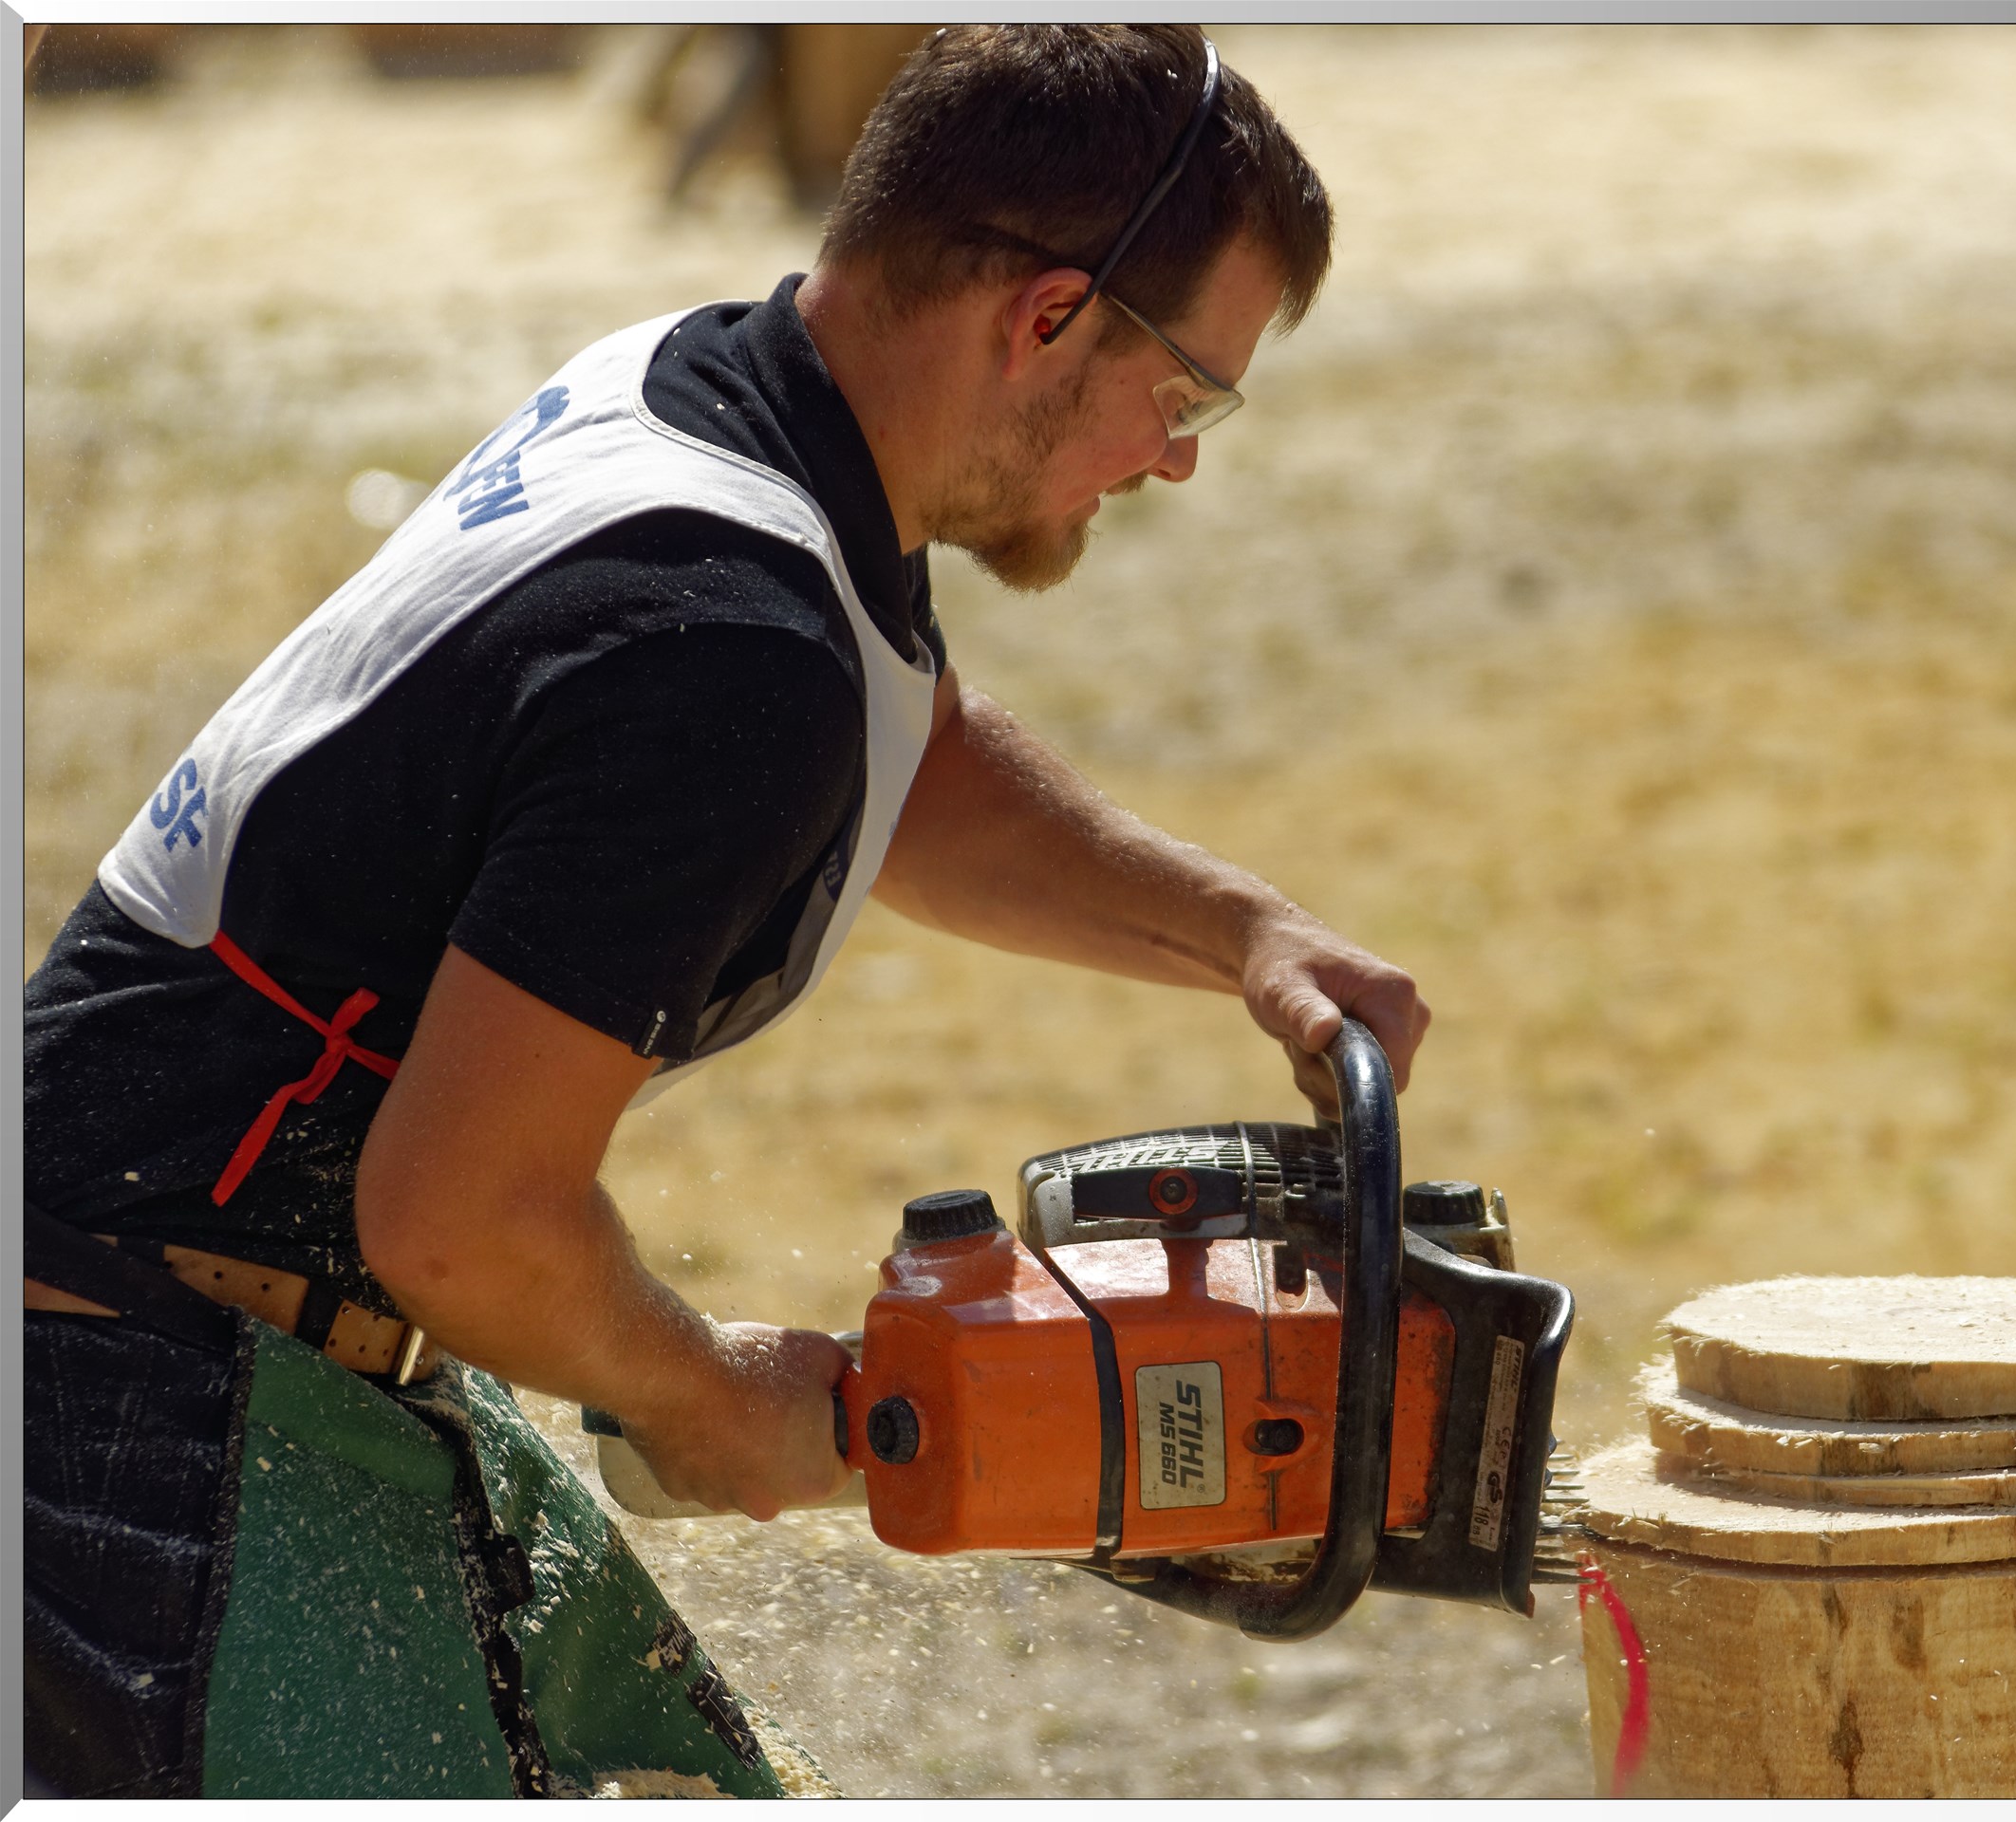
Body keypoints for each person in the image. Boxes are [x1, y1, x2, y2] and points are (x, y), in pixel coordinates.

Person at [24, 25, 1428, 1798]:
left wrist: (1242, 933)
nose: (1177, 461)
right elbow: (460, 1222)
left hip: (205, 1328)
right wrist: (704, 1393)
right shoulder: (723, 651)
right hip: (122, 1416)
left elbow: (904, 751)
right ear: (1049, 317)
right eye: (1189, 393)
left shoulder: (716, 408)